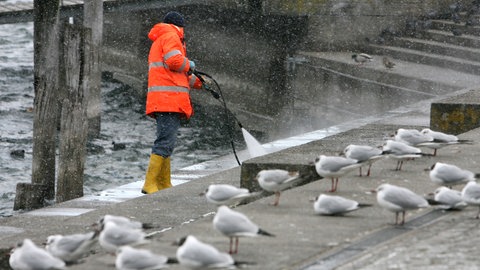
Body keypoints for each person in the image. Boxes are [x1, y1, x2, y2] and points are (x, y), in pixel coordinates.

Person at [142, 11, 205, 194]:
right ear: (180, 27)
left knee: (167, 141)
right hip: (168, 101)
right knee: (165, 141)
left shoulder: (161, 38)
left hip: (165, 100)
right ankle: (150, 183)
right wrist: (189, 63)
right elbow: (174, 61)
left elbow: (176, 74)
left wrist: (200, 83)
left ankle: (163, 183)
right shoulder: (171, 35)